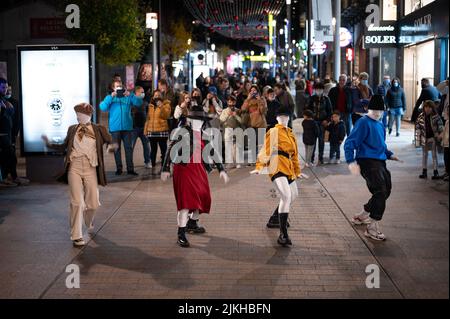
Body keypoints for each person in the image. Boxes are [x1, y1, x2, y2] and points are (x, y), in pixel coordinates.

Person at [42, 103, 116, 247]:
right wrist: (49, 143)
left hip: (90, 168)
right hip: (74, 167)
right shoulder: (72, 129)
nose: (77, 117)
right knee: (77, 202)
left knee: (93, 203)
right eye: (76, 114)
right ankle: (76, 235)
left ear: (88, 115)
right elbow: (64, 146)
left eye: (80, 115)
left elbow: (110, 141)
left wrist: (112, 147)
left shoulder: (98, 129)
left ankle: (88, 221)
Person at [161, 104, 229, 247]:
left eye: (200, 119)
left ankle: (192, 223)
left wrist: (221, 169)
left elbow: (213, 152)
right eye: (195, 119)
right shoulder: (181, 131)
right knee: (185, 203)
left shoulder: (205, 135)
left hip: (199, 170)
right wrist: (166, 168)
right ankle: (181, 233)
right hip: (184, 170)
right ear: (190, 120)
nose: (198, 122)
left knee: (204, 197)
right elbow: (170, 149)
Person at [345, 95, 400, 241]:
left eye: (380, 111)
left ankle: (363, 215)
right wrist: (351, 162)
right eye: (375, 110)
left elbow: (381, 144)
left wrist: (389, 154)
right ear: (369, 109)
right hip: (367, 162)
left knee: (386, 190)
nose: (378, 113)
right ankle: (372, 226)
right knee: (380, 191)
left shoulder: (380, 124)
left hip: (380, 161)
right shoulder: (363, 122)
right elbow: (350, 142)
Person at [252, 105, 301, 246]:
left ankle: (275, 218)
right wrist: (259, 166)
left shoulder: (291, 133)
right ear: (276, 118)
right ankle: (283, 234)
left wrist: (297, 171)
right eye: (281, 116)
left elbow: (295, 155)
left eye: (287, 116)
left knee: (294, 195)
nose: (284, 119)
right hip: (276, 164)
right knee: (286, 196)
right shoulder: (273, 131)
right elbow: (265, 150)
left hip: (288, 167)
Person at [99, 80, 143, 176]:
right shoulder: (110, 98)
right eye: (117, 86)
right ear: (113, 88)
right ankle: (119, 168)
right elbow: (102, 107)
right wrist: (111, 96)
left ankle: (130, 169)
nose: (119, 87)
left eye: (120, 86)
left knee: (128, 148)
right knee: (116, 149)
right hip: (115, 128)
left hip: (127, 127)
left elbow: (139, 103)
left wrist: (130, 95)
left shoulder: (128, 97)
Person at [144, 90, 172, 175]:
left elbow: (166, 115)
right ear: (153, 96)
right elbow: (148, 119)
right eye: (155, 95)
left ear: (162, 96)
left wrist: (161, 106)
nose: (157, 96)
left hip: (162, 131)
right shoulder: (150, 105)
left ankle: (164, 167)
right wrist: (145, 130)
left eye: (158, 95)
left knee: (163, 150)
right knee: (153, 150)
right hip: (152, 132)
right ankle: (152, 167)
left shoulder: (166, 104)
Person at [415, 100, 444, 180]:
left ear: (432, 108)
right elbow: (417, 128)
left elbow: (441, 127)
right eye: (426, 107)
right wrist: (418, 141)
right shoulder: (420, 117)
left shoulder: (436, 116)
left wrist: (440, 135)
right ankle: (424, 171)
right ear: (424, 108)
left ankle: (436, 172)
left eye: (429, 107)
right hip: (424, 138)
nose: (427, 109)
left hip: (432, 138)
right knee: (424, 154)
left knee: (434, 155)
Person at [307, 82, 332, 165]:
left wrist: (327, 120)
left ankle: (320, 158)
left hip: (322, 123)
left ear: (323, 90)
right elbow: (308, 110)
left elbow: (330, 111)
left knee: (321, 141)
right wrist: (309, 119)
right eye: (317, 89)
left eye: (320, 89)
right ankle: (311, 158)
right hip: (313, 122)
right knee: (313, 141)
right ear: (315, 90)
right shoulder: (312, 98)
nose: (318, 91)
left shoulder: (326, 99)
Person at [220, 95, 243, 169]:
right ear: (227, 102)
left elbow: (242, 121)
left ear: (235, 102)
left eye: (232, 101)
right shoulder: (224, 111)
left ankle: (237, 162)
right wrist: (227, 115)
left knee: (237, 147)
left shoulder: (238, 110)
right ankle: (230, 163)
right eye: (229, 101)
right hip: (228, 130)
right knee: (228, 147)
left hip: (237, 129)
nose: (231, 103)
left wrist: (236, 116)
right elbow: (221, 121)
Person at [131, 86, 151, 169]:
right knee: (131, 146)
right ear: (136, 93)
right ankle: (130, 164)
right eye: (141, 92)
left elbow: (148, 114)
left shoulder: (145, 102)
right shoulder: (131, 102)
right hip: (133, 128)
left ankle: (147, 161)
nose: (143, 93)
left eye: (143, 92)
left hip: (144, 127)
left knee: (146, 146)